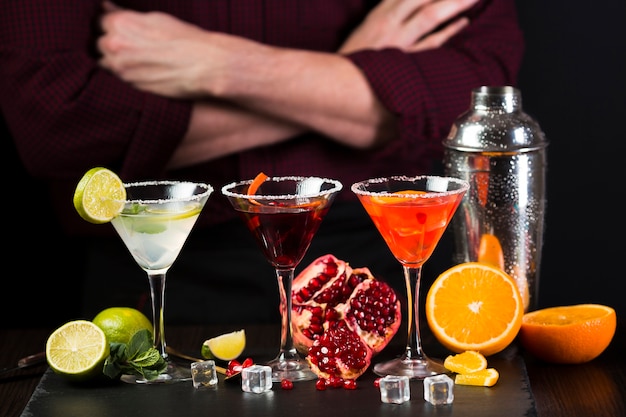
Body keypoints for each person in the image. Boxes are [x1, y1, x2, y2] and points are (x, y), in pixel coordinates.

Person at [0, 0, 524, 325]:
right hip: (159, 267)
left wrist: (220, 65)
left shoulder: (212, 64)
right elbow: (54, 126)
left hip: (375, 257)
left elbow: (467, 93)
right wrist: (345, 73)